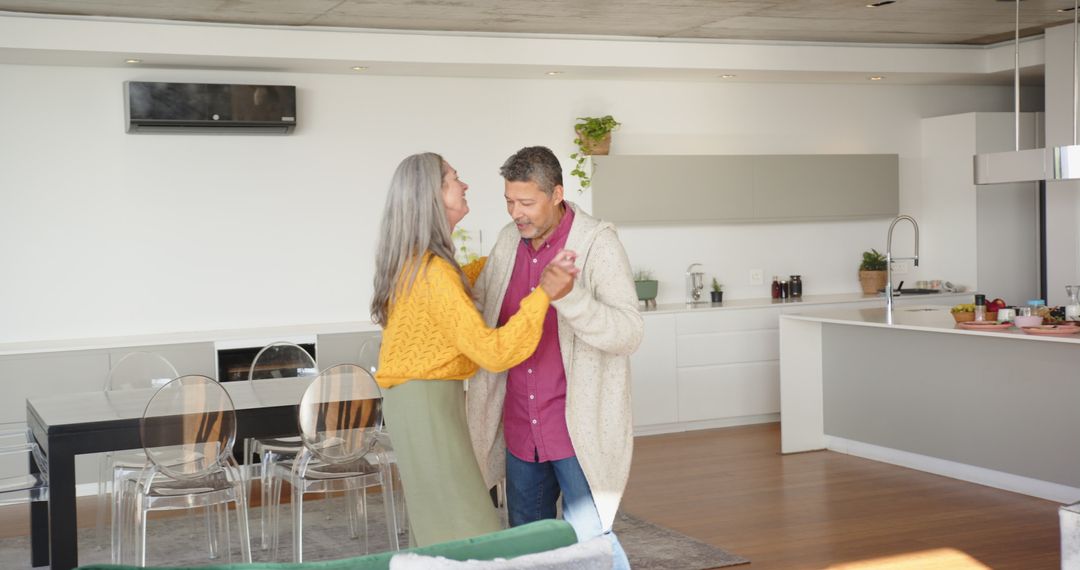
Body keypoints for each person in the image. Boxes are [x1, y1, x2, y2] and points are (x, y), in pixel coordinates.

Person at [370, 152, 576, 547]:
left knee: (438, 527)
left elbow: (458, 291)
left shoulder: (421, 263)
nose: (464, 185)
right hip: (426, 405)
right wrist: (543, 295)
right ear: (431, 196)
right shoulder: (433, 272)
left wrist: (500, 259)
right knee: (468, 527)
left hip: (420, 402)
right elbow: (493, 353)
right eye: (453, 179)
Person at [466, 146, 643, 569]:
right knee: (528, 549)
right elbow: (487, 311)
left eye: (526, 202)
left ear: (557, 193)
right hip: (520, 430)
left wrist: (571, 298)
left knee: (591, 545)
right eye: (509, 201)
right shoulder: (509, 241)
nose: (515, 212)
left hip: (575, 432)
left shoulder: (597, 244)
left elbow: (629, 333)